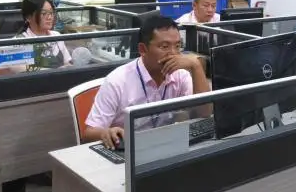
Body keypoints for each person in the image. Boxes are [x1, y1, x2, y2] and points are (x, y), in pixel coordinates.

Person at [85, 16, 211, 149]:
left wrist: (196, 66)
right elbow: (88, 133)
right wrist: (106, 133)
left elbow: (204, 113)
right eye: (165, 46)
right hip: (127, 150)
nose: (173, 54)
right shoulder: (117, 81)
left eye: (178, 46)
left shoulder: (180, 75)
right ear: (143, 49)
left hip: (164, 147)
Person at [17, 0, 72, 67]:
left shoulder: (56, 36)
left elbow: (67, 63)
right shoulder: (18, 43)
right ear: (28, 17)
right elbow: (22, 71)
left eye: (51, 13)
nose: (49, 17)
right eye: (44, 13)